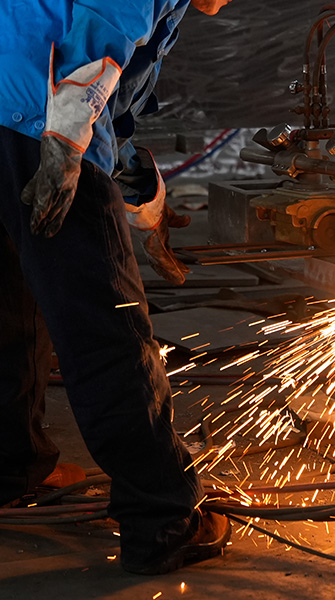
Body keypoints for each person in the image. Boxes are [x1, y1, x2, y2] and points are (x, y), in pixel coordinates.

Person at [0, 0, 232, 575]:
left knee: (10, 297)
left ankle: (13, 464)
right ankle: (164, 519)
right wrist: (66, 145)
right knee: (109, 327)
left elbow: (114, 84)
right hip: (42, 118)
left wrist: (130, 177)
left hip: (10, 101)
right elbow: (101, 28)